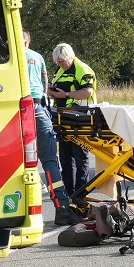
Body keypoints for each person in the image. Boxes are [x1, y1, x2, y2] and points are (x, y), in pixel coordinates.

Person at [22, 30, 80, 225]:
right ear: (28, 42)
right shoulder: (37, 57)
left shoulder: (4, 58)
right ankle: (62, 208)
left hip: (12, 111)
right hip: (37, 109)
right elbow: (45, 85)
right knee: (49, 161)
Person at [48, 43, 96, 197]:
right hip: (63, 118)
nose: (60, 64)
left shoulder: (82, 69)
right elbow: (57, 89)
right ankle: (69, 193)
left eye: (62, 61)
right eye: (57, 62)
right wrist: (50, 91)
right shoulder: (60, 70)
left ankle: (82, 193)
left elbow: (88, 92)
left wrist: (67, 95)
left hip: (80, 118)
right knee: (65, 159)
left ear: (69, 57)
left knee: (80, 157)